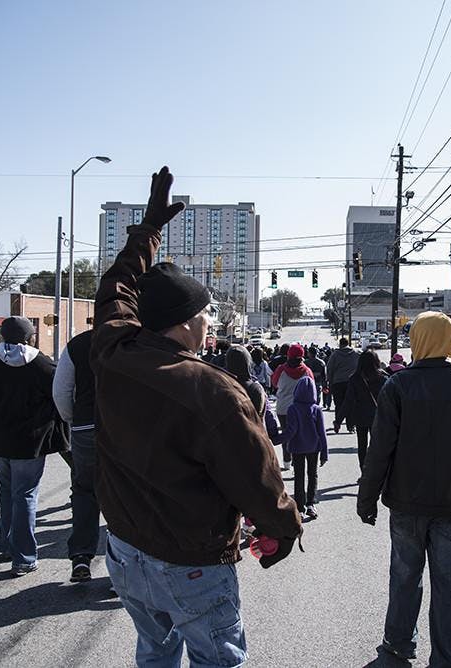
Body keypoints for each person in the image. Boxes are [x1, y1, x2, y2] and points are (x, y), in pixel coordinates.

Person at [91, 166, 302, 666]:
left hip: (123, 548)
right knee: (216, 660)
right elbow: (257, 480)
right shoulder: (213, 391)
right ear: (186, 323)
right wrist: (285, 528)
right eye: (207, 313)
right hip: (188, 563)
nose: (211, 321)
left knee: (155, 654)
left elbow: (117, 285)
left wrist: (148, 230)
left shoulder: (112, 350)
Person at [358, 311, 451, 666]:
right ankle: (446, 656)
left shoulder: (397, 386)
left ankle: (398, 643)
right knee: (449, 583)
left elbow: (380, 450)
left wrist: (367, 498)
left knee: (405, 576)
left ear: (418, 341)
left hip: (406, 502)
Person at [0, 316, 68, 575]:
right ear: (30, 336)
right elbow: (61, 395)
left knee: (7, 490)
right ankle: (23, 557)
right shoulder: (42, 364)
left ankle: (7, 543)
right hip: (29, 442)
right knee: (25, 494)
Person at [53, 328, 101, 583]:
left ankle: (82, 555)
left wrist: (73, 418)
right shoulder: (137, 338)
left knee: (84, 490)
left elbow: (61, 392)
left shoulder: (78, 344)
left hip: (85, 427)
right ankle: (123, 568)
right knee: (126, 495)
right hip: (129, 427)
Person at [283, 376, 329, 520]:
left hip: (297, 447)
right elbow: (322, 433)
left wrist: (276, 439)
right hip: (314, 447)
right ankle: (311, 504)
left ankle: (300, 506)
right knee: (312, 475)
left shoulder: (292, 409)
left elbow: (290, 431)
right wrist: (324, 453)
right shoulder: (316, 409)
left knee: (299, 477)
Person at [342, 349, 389, 472]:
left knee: (362, 446)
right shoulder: (383, 378)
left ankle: (364, 472)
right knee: (377, 446)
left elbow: (348, 401)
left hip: (361, 416)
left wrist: (339, 419)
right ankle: (377, 472)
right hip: (378, 417)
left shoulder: (355, 379)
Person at [271, 343, 315, 470]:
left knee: (286, 434)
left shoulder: (281, 369)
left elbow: (274, 383)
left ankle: (287, 460)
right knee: (299, 434)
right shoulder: (306, 371)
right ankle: (298, 460)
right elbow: (312, 390)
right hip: (301, 409)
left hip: (283, 407)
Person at [326, 336, 360, 433]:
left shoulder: (335, 355)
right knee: (351, 405)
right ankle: (351, 426)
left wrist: (330, 381)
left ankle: (338, 423)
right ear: (348, 343)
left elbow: (330, 369)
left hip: (338, 382)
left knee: (339, 404)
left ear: (340, 344)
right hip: (351, 382)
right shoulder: (355, 354)